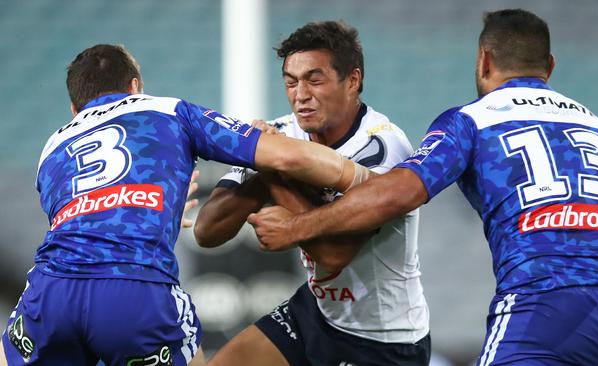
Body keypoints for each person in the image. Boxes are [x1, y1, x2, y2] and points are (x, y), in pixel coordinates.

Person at [249, 9, 598, 365]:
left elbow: (398, 193)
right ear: (549, 65)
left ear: (484, 60)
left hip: (544, 300)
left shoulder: (473, 119)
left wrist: (294, 227)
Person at [0, 44, 372, 366]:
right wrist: (365, 182)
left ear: (73, 108)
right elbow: (285, 157)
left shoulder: (52, 149)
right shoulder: (167, 110)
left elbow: (83, 222)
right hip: (134, 289)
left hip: (51, 293)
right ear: (135, 88)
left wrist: (152, 215)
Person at [194, 21, 431, 366]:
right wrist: (268, 169)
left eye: (314, 80)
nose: (300, 95)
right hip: (316, 314)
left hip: (384, 338)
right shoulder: (281, 133)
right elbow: (207, 230)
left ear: (352, 80)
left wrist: (274, 166)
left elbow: (335, 254)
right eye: (291, 82)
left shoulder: (383, 147)